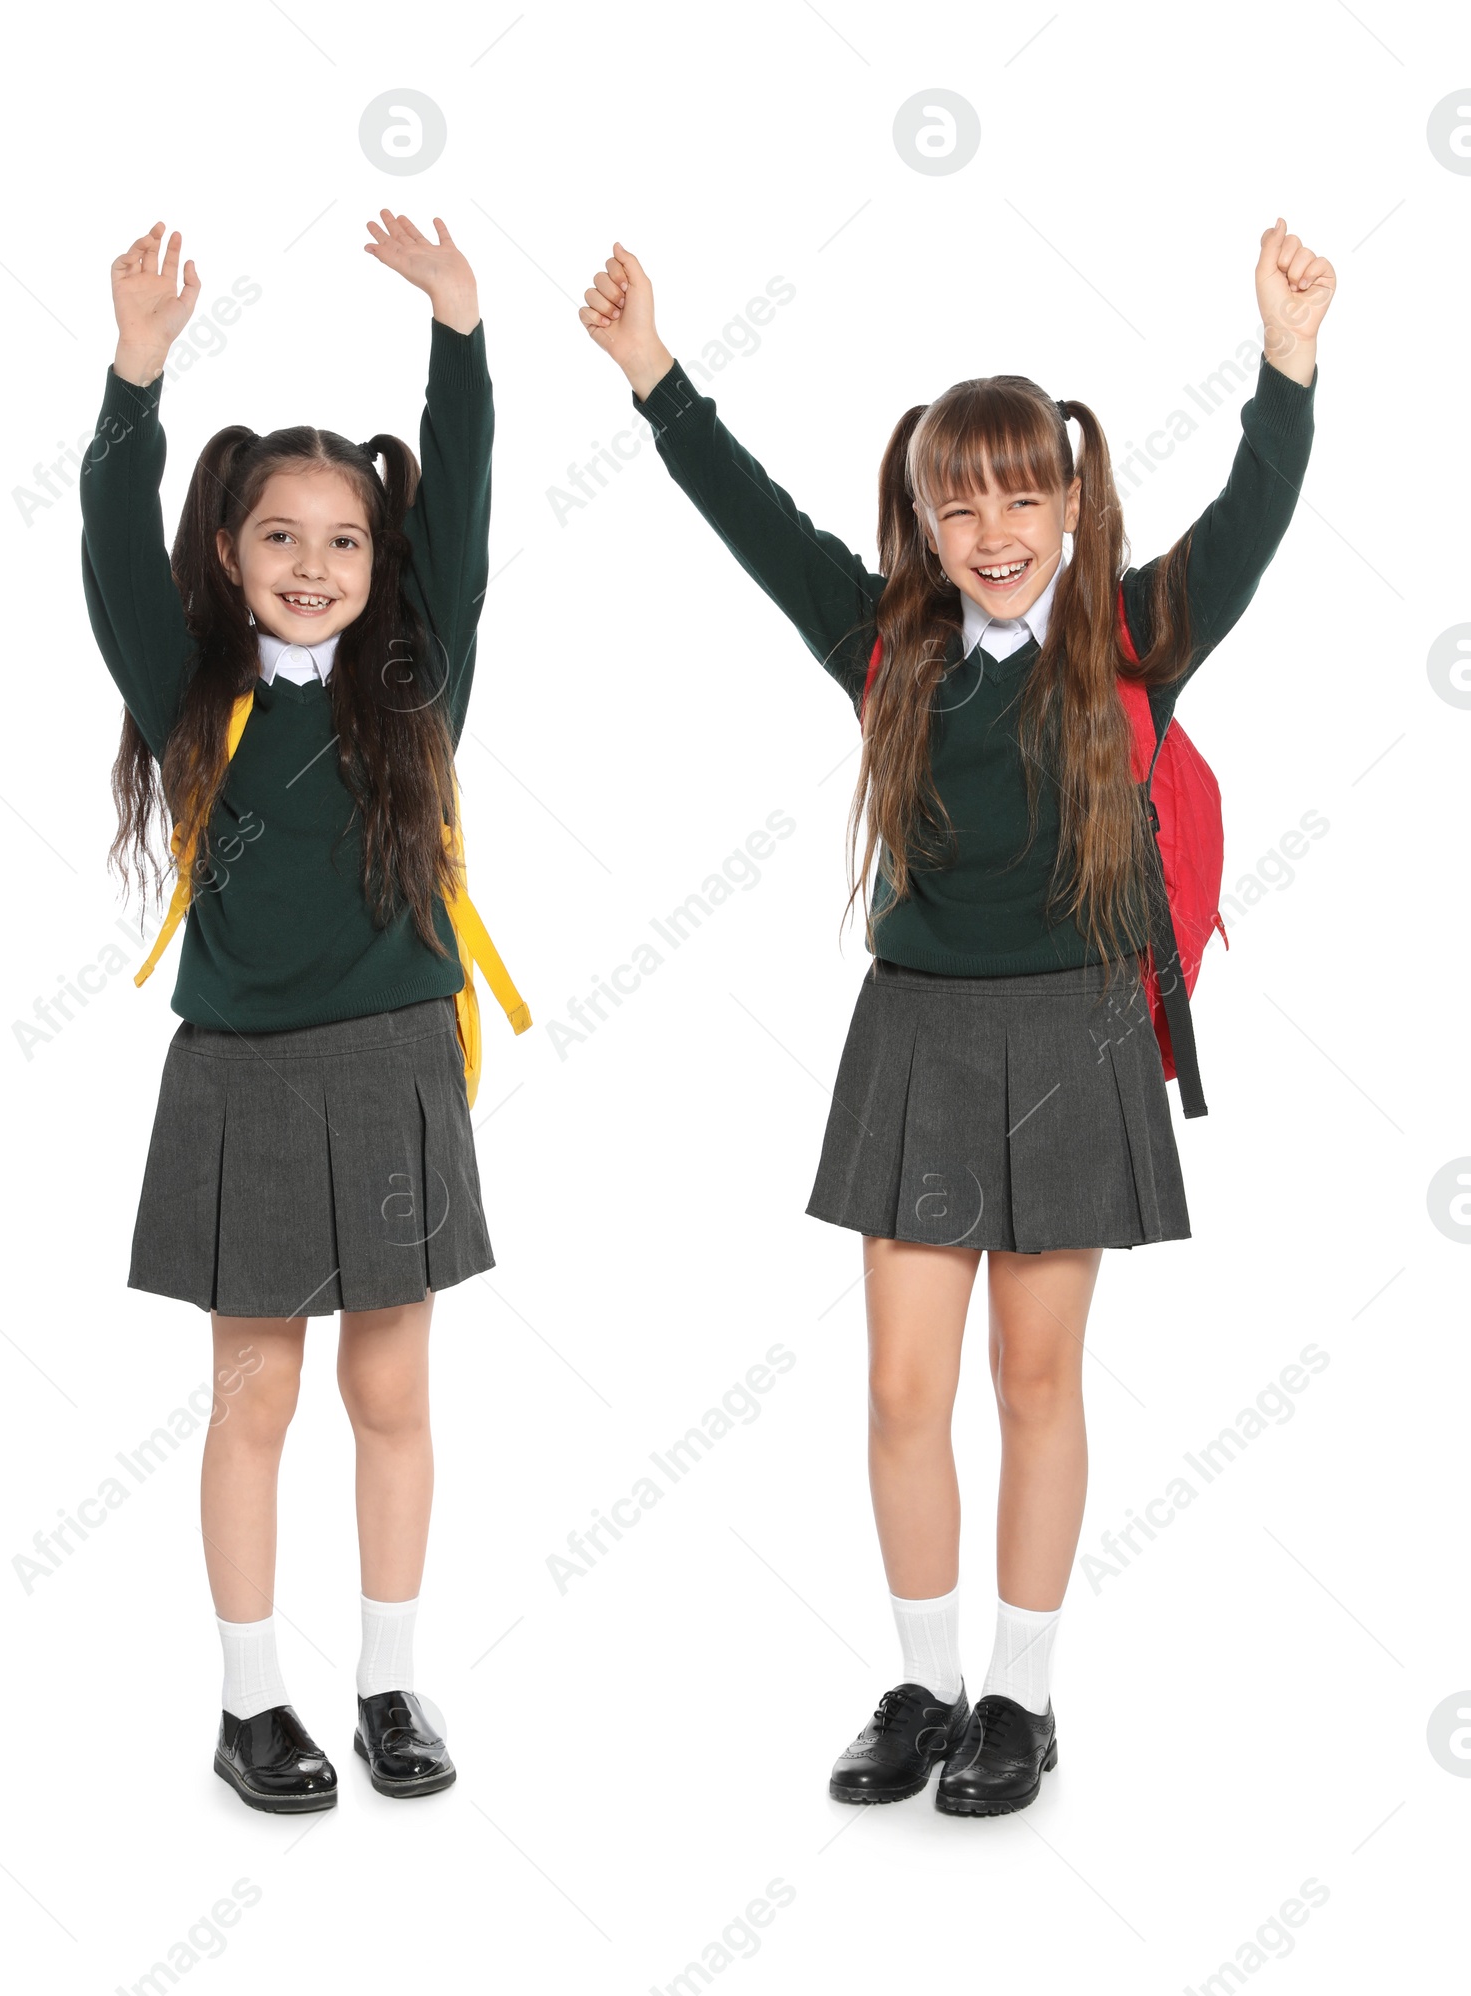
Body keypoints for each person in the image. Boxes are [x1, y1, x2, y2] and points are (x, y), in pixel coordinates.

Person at [577, 221, 1333, 1817]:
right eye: (958, 500)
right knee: (906, 1389)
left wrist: (1284, 362)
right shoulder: (889, 649)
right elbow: (756, 524)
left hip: (1074, 1037)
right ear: (922, 519)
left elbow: (1255, 518)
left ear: (1071, 504)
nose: (993, 529)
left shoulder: (1130, 634)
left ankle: (1024, 1703)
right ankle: (925, 1686)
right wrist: (657, 374)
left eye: (1023, 495)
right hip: (918, 1036)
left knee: (1037, 1383)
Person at [81, 212, 498, 1811]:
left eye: (344, 540)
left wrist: (460, 330)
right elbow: (113, 532)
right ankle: (253, 1704)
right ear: (231, 554)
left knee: (391, 1394)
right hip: (241, 1080)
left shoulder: (420, 679)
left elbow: (456, 506)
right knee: (252, 1401)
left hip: (396, 1068)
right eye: (280, 537)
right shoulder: (184, 688)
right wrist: (137, 371)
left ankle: (391, 1679)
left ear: (380, 568)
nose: (315, 565)